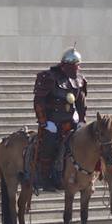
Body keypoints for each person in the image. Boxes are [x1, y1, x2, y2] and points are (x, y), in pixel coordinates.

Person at [32, 47, 87, 191]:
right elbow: (39, 101)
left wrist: (82, 120)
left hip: (71, 120)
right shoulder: (49, 78)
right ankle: (44, 177)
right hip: (52, 120)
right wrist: (44, 122)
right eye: (76, 65)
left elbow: (81, 103)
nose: (78, 68)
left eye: (78, 65)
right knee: (49, 142)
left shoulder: (79, 80)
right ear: (67, 65)